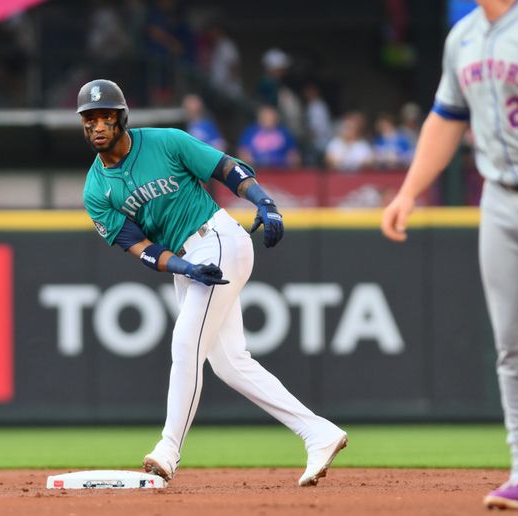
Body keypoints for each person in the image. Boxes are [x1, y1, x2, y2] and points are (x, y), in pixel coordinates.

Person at [77, 78, 347, 486]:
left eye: (106, 117)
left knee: (186, 343)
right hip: (189, 261)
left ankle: (169, 448)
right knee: (231, 364)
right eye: (89, 119)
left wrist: (265, 202)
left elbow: (225, 168)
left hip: (217, 238)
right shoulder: (96, 188)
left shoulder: (165, 142)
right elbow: (138, 245)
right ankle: (319, 433)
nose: (98, 125)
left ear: (122, 118)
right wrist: (182, 269)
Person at [381, 0, 518, 510]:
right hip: (500, 199)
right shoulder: (462, 36)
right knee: (512, 342)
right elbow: (446, 119)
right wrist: (408, 192)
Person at [237, 104, 301, 169]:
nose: (268, 120)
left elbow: (294, 154)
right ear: (260, 118)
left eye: (271, 117)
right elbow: (243, 153)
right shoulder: (250, 132)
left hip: (281, 171)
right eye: (266, 117)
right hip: (257, 171)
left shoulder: (284, 133)